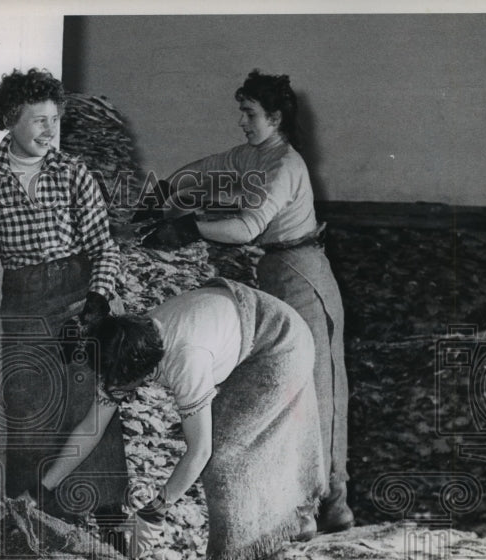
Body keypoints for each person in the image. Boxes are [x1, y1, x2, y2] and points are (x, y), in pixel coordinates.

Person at [138, 69, 353, 536]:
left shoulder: (284, 165)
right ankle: (296, 504)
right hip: (275, 273)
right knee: (283, 389)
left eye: (250, 113)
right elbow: (209, 168)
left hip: (303, 275)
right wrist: (163, 191)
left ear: (275, 118)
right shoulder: (253, 156)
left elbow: (247, 228)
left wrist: (189, 226)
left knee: (318, 391)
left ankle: (328, 505)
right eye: (241, 111)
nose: (242, 121)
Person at [40, 277, 326, 560]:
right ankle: (269, 550)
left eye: (123, 387)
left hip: (278, 341)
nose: (117, 392)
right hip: (245, 326)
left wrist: (155, 511)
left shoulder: (186, 360)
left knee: (225, 452)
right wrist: (45, 486)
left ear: (148, 374)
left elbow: (199, 450)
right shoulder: (126, 345)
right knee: (239, 444)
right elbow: (89, 430)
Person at [0, 67, 129, 537]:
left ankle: (112, 526)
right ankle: (43, 530)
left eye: (55, 120)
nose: (50, 131)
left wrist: (97, 301)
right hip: (25, 308)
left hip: (76, 298)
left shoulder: (74, 173)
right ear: (10, 120)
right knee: (31, 415)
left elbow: (103, 246)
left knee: (91, 407)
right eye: (38, 120)